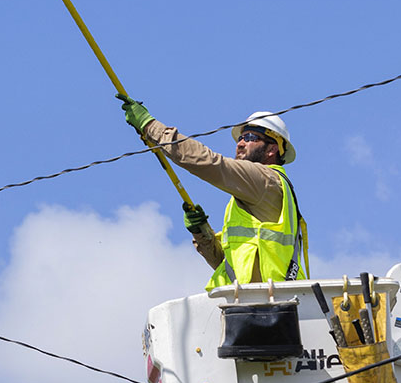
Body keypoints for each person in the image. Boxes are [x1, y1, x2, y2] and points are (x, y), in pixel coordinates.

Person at [117, 95, 308, 291]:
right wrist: (203, 234)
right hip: (250, 302)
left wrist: (150, 127)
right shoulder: (253, 195)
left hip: (265, 301)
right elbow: (226, 264)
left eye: (251, 138)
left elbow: (209, 163)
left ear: (272, 149)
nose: (240, 143)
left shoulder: (265, 181)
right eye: (241, 137)